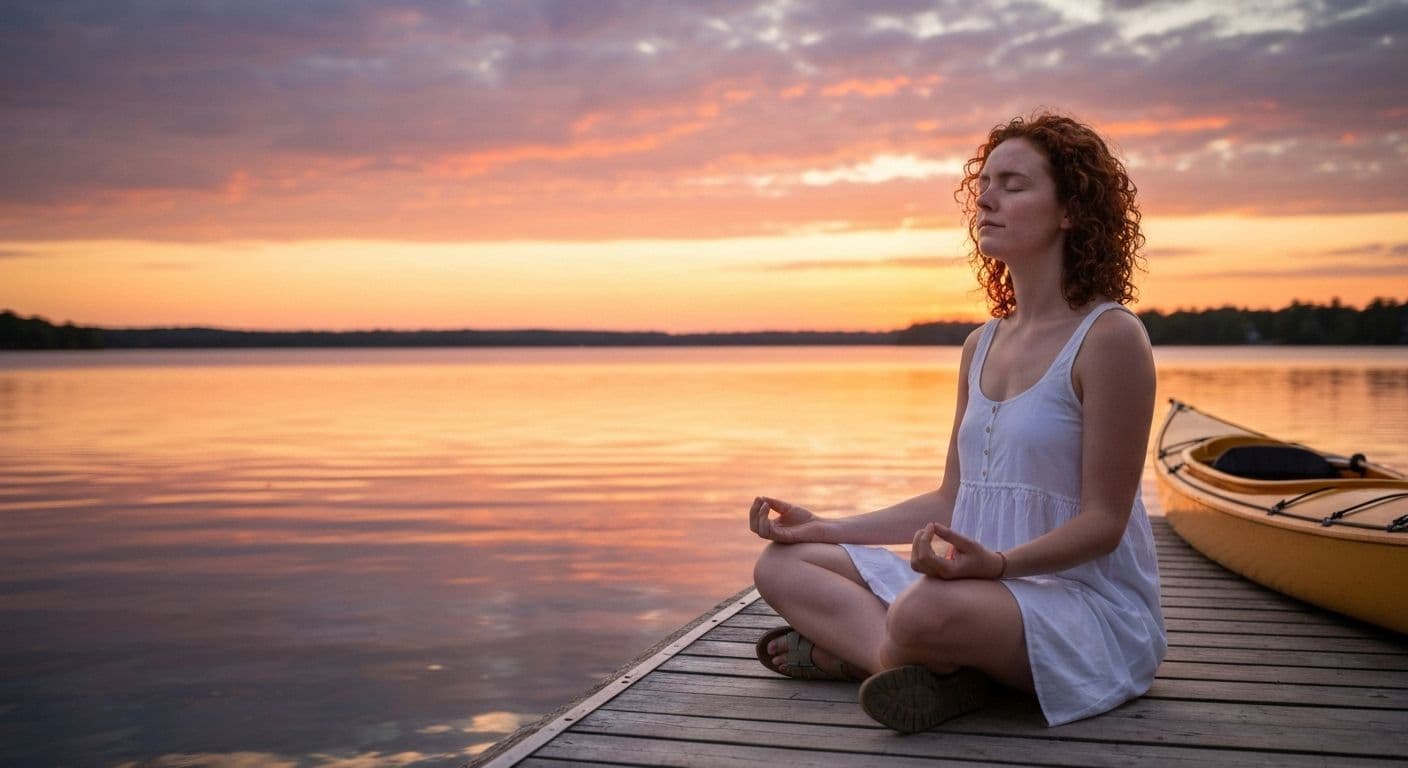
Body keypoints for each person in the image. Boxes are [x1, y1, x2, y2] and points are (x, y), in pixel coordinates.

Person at [747, 111, 1166, 733]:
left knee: (924, 611)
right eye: (984, 186)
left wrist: (996, 566)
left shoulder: (1110, 338)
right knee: (780, 565)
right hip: (971, 590)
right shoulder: (982, 344)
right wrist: (826, 527)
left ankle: (863, 659)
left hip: (1082, 608)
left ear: (1071, 211)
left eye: (1013, 185)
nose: (987, 200)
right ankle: (927, 672)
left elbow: (1104, 524)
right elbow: (952, 496)